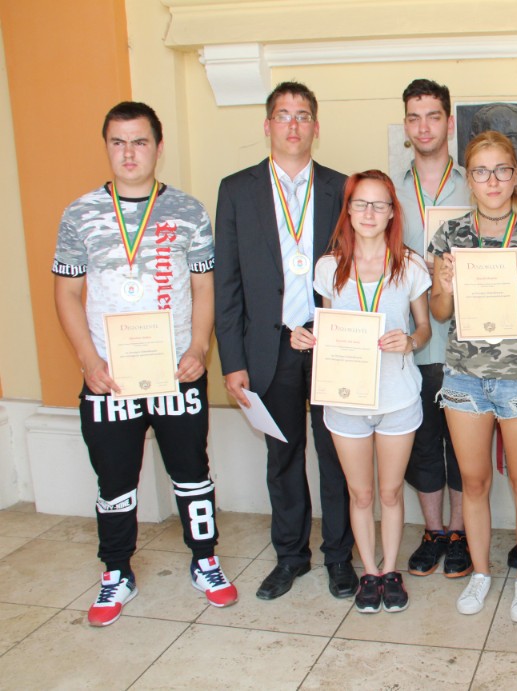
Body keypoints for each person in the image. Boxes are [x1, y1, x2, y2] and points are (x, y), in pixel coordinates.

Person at [53, 101, 238, 626]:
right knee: (114, 481)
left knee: (192, 473)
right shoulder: (79, 213)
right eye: (118, 142)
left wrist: (199, 348)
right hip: (109, 378)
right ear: (106, 147)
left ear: (158, 147)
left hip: (177, 372)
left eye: (139, 142)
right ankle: (116, 571)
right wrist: (89, 360)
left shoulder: (188, 211)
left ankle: (205, 560)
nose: (129, 153)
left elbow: (204, 287)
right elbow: (66, 294)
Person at [214, 81, 357, 601]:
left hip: (329, 343)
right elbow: (227, 283)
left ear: (316, 127)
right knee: (282, 457)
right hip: (268, 345)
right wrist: (232, 360)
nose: (293, 125)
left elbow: (356, 268)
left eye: (302, 116)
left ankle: (339, 556)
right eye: (283, 115)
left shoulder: (342, 188)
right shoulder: (237, 189)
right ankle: (291, 557)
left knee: (337, 455)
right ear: (267, 125)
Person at [429, 131, 517, 623]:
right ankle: (482, 572)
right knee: (474, 482)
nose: (492, 181)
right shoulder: (449, 236)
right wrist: (444, 286)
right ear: (469, 178)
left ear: (515, 175)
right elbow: (439, 312)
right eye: (481, 171)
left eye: (502, 170)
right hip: (464, 378)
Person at [292, 170, 431, 613]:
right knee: (361, 495)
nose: (369, 213)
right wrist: (308, 337)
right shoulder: (328, 267)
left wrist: (410, 341)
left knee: (390, 493)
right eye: (360, 203)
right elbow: (326, 326)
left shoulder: (409, 265)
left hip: (397, 397)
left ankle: (390, 571)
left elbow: (425, 328)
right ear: (348, 210)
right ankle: (368, 572)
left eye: (379, 204)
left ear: (392, 213)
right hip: (346, 398)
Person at [392, 79, 473, 580]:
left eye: (434, 116)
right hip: (411, 340)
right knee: (421, 444)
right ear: (406, 125)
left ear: (449, 122)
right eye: (414, 117)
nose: (424, 127)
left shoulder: (474, 184)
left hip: (466, 341)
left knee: (463, 446)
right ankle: (434, 531)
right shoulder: (389, 190)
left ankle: (460, 533)